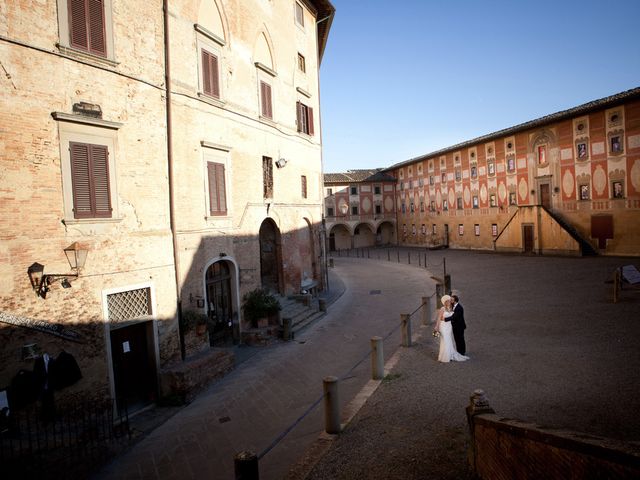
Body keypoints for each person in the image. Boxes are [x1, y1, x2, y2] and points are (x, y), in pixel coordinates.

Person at [434, 295, 469, 363]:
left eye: (451, 300)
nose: (450, 301)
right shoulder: (443, 308)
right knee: (445, 340)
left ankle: (458, 352)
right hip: (444, 327)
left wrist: (445, 319)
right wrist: (437, 326)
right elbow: (439, 318)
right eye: (449, 300)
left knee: (452, 340)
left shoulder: (454, 308)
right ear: (446, 302)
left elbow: (454, 317)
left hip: (452, 327)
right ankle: (445, 356)